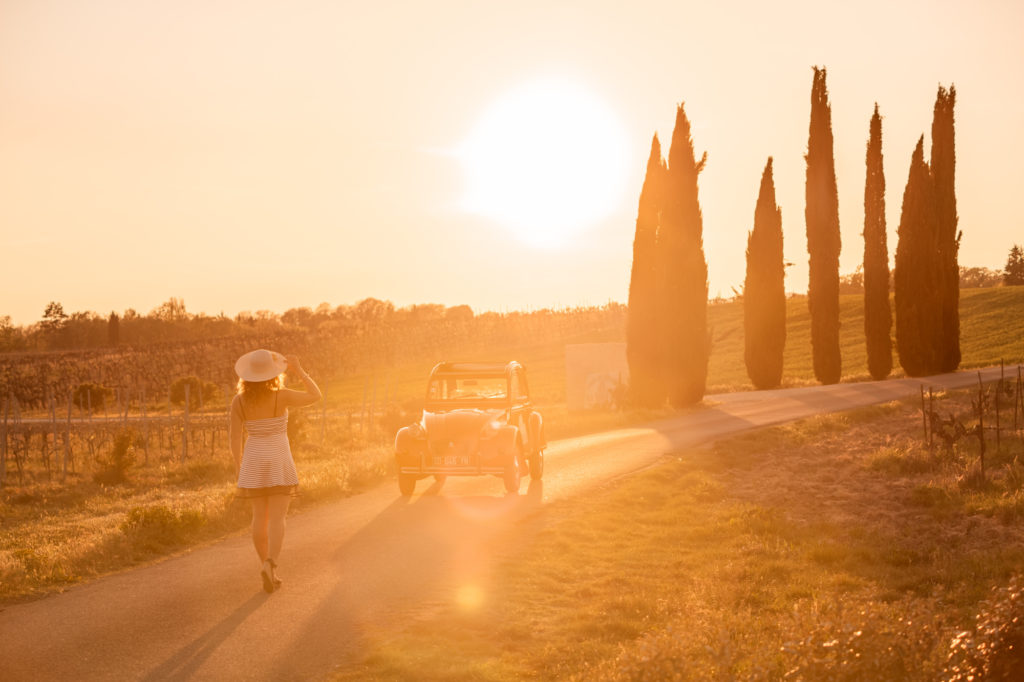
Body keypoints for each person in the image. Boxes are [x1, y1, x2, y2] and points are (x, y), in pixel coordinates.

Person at [230, 349, 322, 593]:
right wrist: (299, 370)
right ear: (273, 374)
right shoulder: (281, 396)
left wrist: (239, 467)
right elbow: (315, 395)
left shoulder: (238, 402)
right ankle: (271, 563)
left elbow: (235, 438)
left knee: (259, 517)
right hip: (278, 459)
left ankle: (265, 565)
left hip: (253, 460)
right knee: (278, 517)